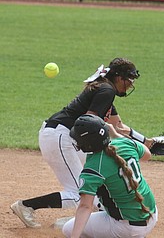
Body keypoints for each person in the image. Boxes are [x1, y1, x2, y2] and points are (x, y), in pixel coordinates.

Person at [10, 57, 155, 228]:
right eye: (129, 80)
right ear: (118, 77)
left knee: (99, 174)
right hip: (61, 138)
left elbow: (118, 126)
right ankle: (26, 206)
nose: (130, 84)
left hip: (67, 136)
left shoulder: (106, 91)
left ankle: (89, 217)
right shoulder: (106, 91)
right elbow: (88, 122)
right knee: (80, 193)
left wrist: (146, 141)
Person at [62, 114, 158, 238]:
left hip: (127, 229)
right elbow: (147, 155)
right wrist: (116, 135)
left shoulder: (93, 166)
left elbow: (85, 206)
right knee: (106, 197)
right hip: (152, 214)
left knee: (68, 229)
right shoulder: (125, 142)